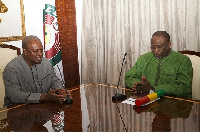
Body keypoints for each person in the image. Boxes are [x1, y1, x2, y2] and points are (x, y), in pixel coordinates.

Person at [3, 35, 69, 106]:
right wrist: (44, 97)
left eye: (41, 50)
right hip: (17, 108)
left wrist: (60, 91)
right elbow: (15, 96)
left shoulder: (45, 62)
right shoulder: (12, 68)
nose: (40, 54)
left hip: (43, 106)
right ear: (25, 51)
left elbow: (54, 80)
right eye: (36, 51)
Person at [125, 31, 193, 97]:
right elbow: (129, 77)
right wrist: (139, 85)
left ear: (169, 44)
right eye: (153, 47)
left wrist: (152, 88)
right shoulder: (144, 58)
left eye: (159, 47)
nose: (156, 51)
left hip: (173, 102)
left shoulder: (183, 61)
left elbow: (183, 88)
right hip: (147, 100)